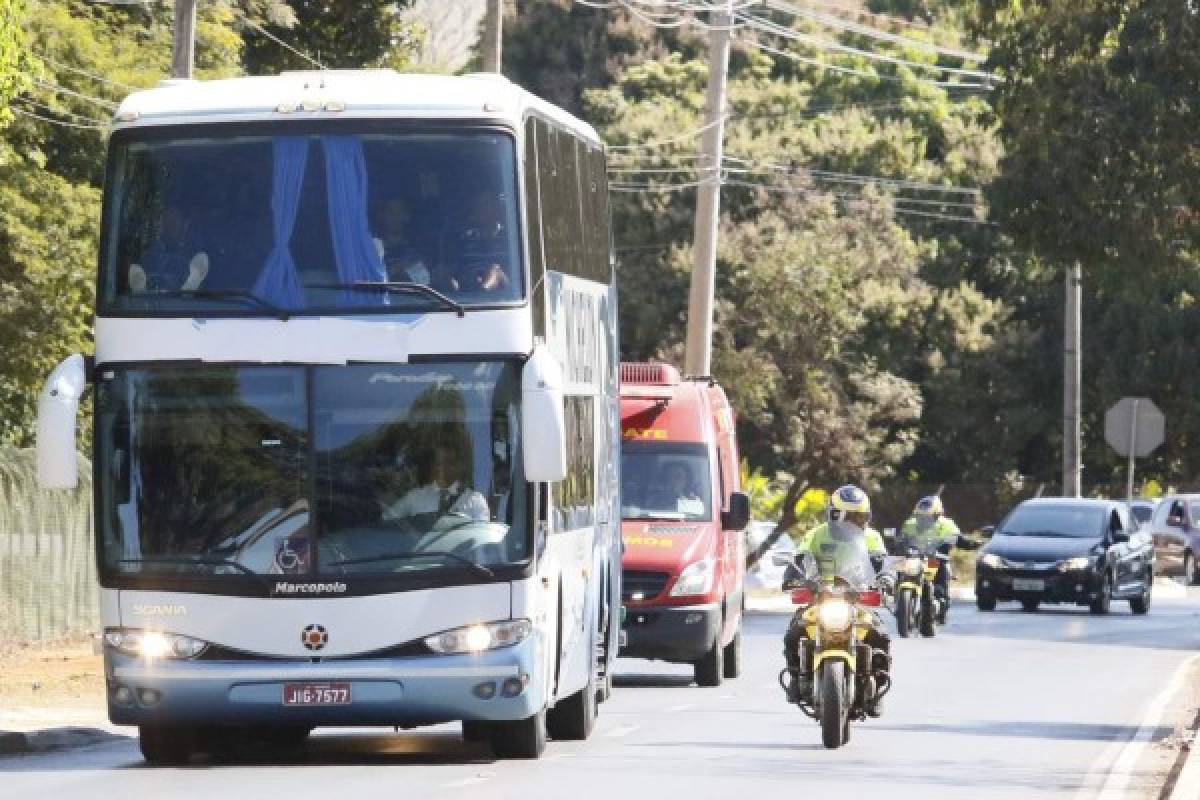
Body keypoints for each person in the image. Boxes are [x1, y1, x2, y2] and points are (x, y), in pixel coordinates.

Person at [781, 484, 891, 715]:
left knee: (880, 634)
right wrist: (793, 577)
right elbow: (799, 560)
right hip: (820, 598)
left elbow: (881, 563)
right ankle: (795, 676)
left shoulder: (871, 537)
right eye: (851, 516)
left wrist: (887, 578)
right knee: (794, 632)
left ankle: (878, 687)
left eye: (861, 517)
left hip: (856, 599)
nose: (857, 522)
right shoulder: (815, 535)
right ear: (834, 514)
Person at [900, 495, 980, 621]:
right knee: (900, 570)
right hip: (916, 558)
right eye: (920, 516)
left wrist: (972, 543)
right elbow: (902, 539)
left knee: (940, 584)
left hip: (936, 560)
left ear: (938, 514)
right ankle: (899, 599)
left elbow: (959, 539)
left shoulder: (947, 524)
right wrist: (897, 543)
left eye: (928, 517)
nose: (924, 520)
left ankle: (940, 602)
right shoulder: (910, 524)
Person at [382, 445, 489, 523]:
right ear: (432, 467)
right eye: (439, 462)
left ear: (458, 467)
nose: (443, 467)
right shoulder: (414, 497)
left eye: (449, 462)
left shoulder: (475, 500)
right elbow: (386, 520)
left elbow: (482, 538)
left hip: (460, 554)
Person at [128, 204, 210, 294]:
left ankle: (189, 287)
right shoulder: (150, 252)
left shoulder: (190, 254)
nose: (170, 226)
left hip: (181, 303)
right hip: (151, 301)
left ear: (183, 223)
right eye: (167, 221)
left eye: (174, 221)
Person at [372, 195, 432, 286]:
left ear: (407, 216)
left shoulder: (417, 250)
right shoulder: (374, 250)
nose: (395, 216)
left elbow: (427, 282)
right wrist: (396, 269)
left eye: (399, 211)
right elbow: (373, 281)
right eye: (390, 211)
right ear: (382, 215)